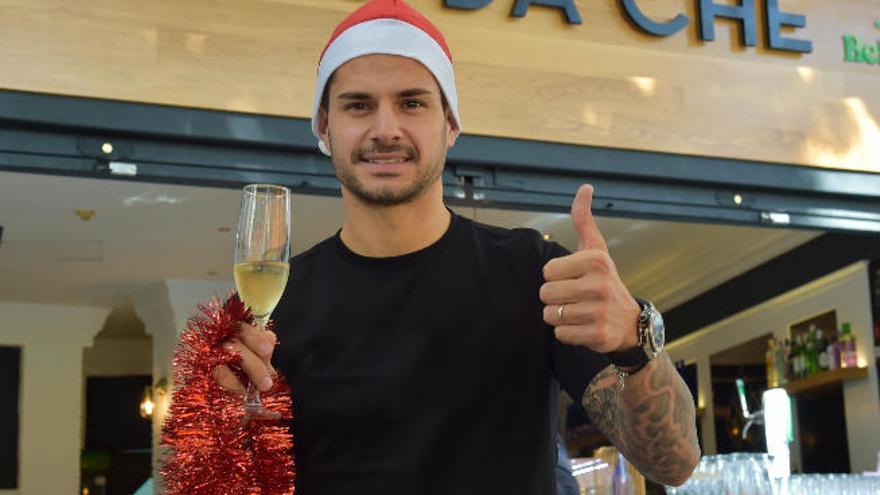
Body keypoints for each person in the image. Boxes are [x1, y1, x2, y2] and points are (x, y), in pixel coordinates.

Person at [212, 0, 700, 493]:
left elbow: (674, 464)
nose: (385, 129)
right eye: (358, 105)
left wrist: (633, 344)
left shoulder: (536, 274)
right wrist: (223, 432)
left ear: (451, 125)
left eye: (412, 103)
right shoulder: (273, 308)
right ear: (324, 127)